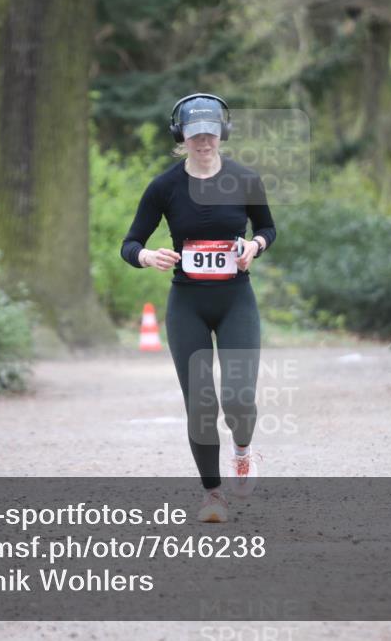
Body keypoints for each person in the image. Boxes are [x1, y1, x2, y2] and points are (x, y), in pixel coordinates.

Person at [120, 93, 276, 523]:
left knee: (239, 399)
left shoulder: (245, 179)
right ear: (181, 137)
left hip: (235, 301)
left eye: (209, 133)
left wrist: (254, 246)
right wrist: (146, 256)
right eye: (194, 135)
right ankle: (213, 495)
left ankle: (243, 452)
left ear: (221, 134)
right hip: (186, 303)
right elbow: (129, 244)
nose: (203, 142)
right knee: (201, 403)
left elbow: (266, 227)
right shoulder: (164, 187)